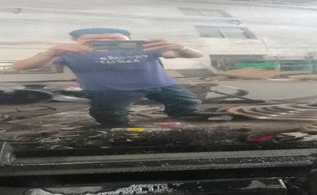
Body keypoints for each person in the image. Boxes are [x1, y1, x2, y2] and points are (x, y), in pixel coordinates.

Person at [11, 28, 203, 127]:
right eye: (94, 40)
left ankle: (179, 121)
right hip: (109, 91)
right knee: (110, 117)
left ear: (128, 40)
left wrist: (181, 47)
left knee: (187, 103)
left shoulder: (146, 48)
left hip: (160, 85)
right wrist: (51, 52)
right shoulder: (69, 53)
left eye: (114, 40)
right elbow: (19, 66)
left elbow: (195, 55)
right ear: (75, 42)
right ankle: (119, 134)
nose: (105, 42)